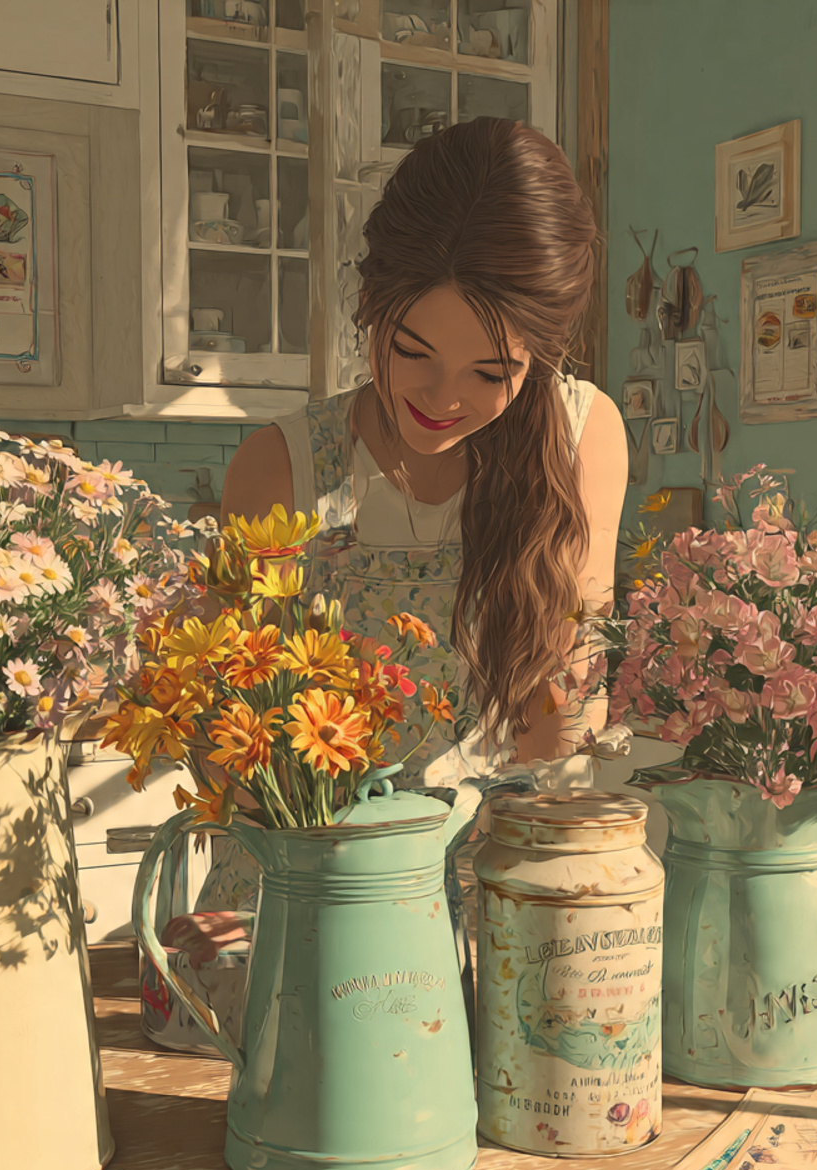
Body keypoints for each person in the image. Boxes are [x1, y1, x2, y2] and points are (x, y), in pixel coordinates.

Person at [167, 115, 629, 967]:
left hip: (496, 866)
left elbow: (567, 698)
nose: (443, 397)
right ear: (370, 307)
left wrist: (538, 887)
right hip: (303, 880)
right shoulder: (284, 468)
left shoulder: (580, 434)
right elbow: (228, 720)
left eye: (493, 373)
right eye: (412, 350)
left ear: (540, 357)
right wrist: (272, 885)